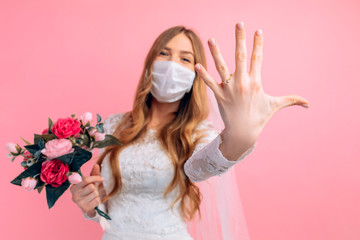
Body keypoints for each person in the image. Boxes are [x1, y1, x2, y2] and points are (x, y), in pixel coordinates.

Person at [70, 22, 309, 240]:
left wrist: (241, 135)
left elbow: (199, 167)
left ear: (195, 76)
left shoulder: (198, 132)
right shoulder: (113, 125)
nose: (172, 64)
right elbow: (106, 203)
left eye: (185, 59)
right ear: (149, 65)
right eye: (164, 53)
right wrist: (91, 207)